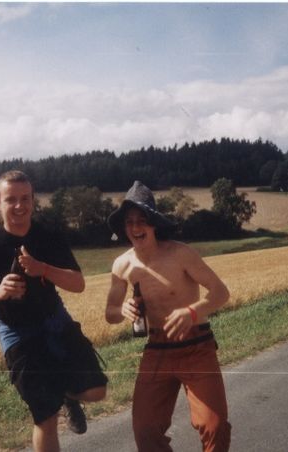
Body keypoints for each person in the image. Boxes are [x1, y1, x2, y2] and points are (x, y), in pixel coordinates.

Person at [0, 170, 108, 452]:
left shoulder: (49, 237)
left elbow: (78, 284)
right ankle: (55, 398)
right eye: (11, 199)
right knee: (45, 416)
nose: (19, 206)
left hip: (55, 322)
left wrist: (43, 269)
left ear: (33, 200)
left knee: (96, 391)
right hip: (17, 333)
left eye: (25, 198)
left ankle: (66, 394)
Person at [105, 181, 231, 452]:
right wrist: (122, 310)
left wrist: (192, 311)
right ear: (124, 227)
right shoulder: (122, 265)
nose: (136, 228)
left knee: (214, 426)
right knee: (145, 430)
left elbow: (221, 292)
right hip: (157, 349)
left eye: (142, 220)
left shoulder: (180, 253)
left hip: (196, 346)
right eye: (129, 222)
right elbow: (110, 313)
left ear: (153, 224)